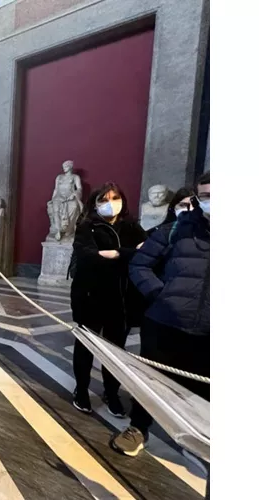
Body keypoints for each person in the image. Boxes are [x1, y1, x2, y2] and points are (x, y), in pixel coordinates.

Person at [111, 172, 210, 457]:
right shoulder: (177, 229)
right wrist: (159, 295)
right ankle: (138, 428)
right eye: (206, 196)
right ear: (197, 198)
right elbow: (139, 265)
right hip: (164, 322)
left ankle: (200, 435)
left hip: (210, 330)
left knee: (205, 389)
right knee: (151, 380)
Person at [70, 182, 147, 417]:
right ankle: (81, 390)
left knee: (115, 350)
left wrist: (115, 253)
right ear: (94, 204)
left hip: (121, 298)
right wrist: (127, 253)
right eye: (103, 200)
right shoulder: (87, 226)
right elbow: (87, 256)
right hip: (89, 296)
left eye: (114, 198)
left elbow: (147, 250)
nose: (109, 204)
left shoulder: (131, 226)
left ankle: (111, 392)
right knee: (85, 346)